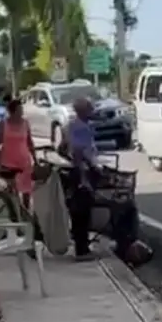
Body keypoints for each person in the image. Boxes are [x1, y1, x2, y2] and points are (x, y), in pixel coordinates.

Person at [63, 96, 100, 260]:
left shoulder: (72, 126)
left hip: (75, 171)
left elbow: (64, 147)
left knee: (78, 211)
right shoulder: (81, 128)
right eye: (90, 108)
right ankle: (82, 249)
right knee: (82, 211)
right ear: (83, 111)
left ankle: (82, 245)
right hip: (81, 172)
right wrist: (89, 170)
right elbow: (80, 151)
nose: (92, 111)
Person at [0, 97, 36, 209]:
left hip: (24, 162)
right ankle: (15, 213)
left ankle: (26, 213)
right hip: (8, 163)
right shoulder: (4, 124)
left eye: (21, 109)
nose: (21, 112)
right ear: (12, 112)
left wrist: (35, 159)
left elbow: (30, 142)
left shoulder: (25, 123)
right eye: (19, 110)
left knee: (27, 191)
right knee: (13, 192)